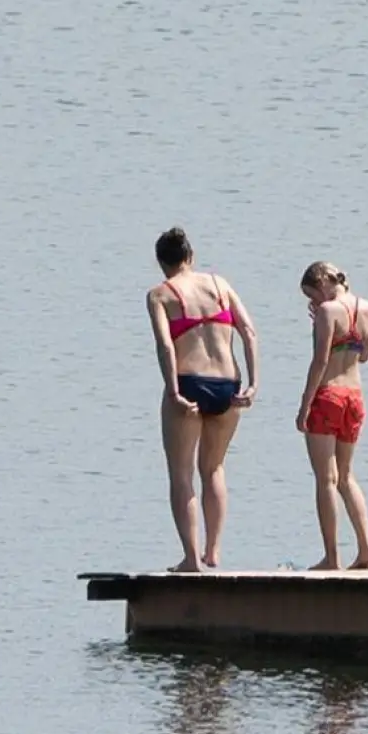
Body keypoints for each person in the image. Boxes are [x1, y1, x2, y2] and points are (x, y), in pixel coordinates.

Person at [145, 227, 259, 572]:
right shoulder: (219, 284)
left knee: (181, 475)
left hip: (190, 382)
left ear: (161, 263)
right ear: (190, 256)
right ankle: (214, 551)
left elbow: (166, 345)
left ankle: (192, 560)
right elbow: (249, 330)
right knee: (214, 468)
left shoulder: (160, 295)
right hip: (228, 383)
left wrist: (173, 390)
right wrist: (253, 383)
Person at [296, 261, 368, 571]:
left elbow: (319, 362)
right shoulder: (367, 308)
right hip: (355, 397)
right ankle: (366, 548)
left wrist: (304, 405)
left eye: (313, 295)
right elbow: (365, 355)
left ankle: (332, 557)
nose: (314, 303)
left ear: (324, 284)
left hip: (328, 395)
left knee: (325, 479)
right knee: (346, 476)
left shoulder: (328, 312)